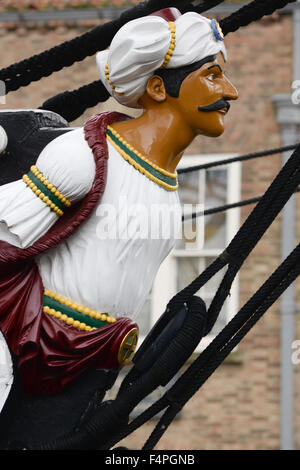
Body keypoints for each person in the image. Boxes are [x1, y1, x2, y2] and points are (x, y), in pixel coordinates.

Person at [0, 7, 238, 448]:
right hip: (32, 355)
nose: (231, 91)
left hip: (92, 369)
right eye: (211, 75)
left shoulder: (168, 194)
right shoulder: (86, 157)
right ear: (155, 87)